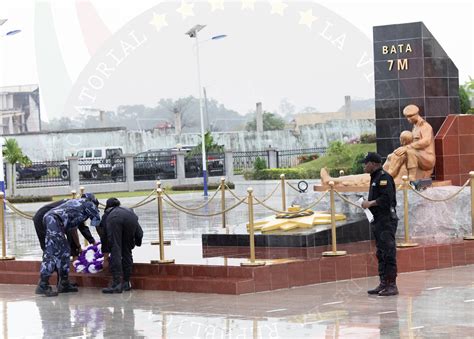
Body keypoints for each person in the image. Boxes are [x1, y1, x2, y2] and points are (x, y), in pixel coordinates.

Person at [35, 193, 101, 297]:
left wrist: (91, 241)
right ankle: (43, 285)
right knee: (53, 253)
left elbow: (79, 228)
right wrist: (103, 243)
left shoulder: (76, 205)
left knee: (65, 251)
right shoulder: (89, 204)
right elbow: (98, 224)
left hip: (50, 219)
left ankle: (64, 283)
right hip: (54, 220)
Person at [360, 152, 399, 296]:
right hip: (378, 221)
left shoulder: (384, 178)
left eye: (366, 163)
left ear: (373, 164)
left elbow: (387, 199)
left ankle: (392, 285)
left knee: (389, 253)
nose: (364, 165)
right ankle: (383, 283)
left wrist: (370, 203)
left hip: (386, 220)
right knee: (380, 253)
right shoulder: (374, 178)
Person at [102, 197, 143, 294]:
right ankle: (126, 283)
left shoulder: (107, 214)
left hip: (115, 220)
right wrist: (137, 242)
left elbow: (104, 237)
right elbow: (139, 232)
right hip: (131, 219)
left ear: (107, 206)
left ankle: (116, 284)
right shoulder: (129, 211)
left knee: (115, 249)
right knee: (127, 251)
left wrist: (105, 257)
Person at [384, 104, 435, 182]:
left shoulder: (425, 126)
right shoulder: (415, 127)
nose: (408, 119)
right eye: (407, 117)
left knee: (409, 151)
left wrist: (408, 147)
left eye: (410, 116)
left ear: (417, 114)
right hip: (417, 155)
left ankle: (412, 177)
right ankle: (389, 174)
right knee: (398, 153)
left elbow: (426, 141)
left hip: (427, 158)